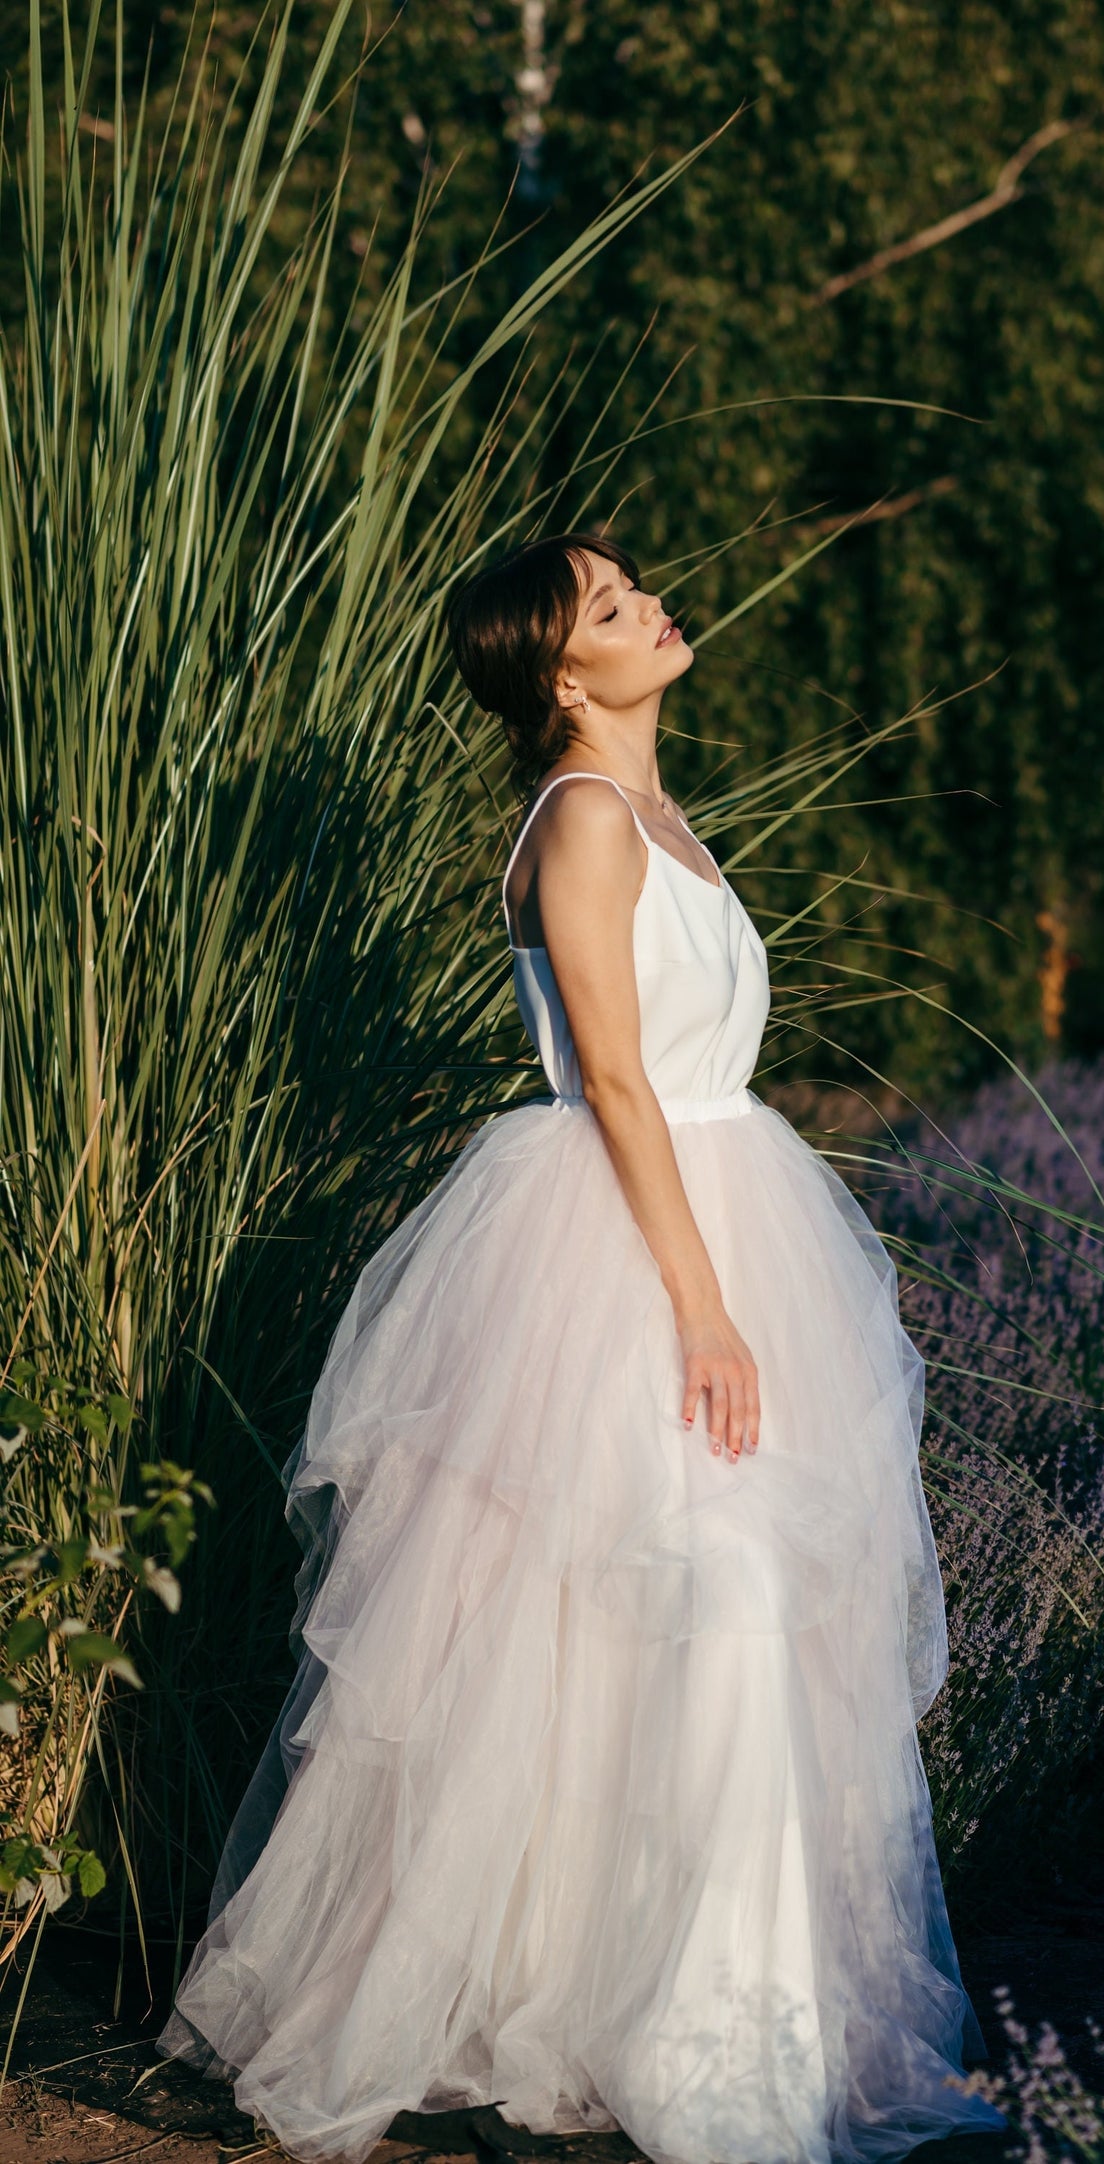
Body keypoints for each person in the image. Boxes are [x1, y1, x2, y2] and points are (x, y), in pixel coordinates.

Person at [155, 533, 1006, 2163]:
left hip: (722, 1196)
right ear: (562, 675)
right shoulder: (583, 821)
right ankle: (703, 2051)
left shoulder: (659, 813)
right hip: (618, 1251)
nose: (652, 607)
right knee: (705, 1601)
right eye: (612, 608)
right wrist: (699, 1305)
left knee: (711, 1618)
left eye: (634, 589)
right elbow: (615, 1081)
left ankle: (727, 2030)